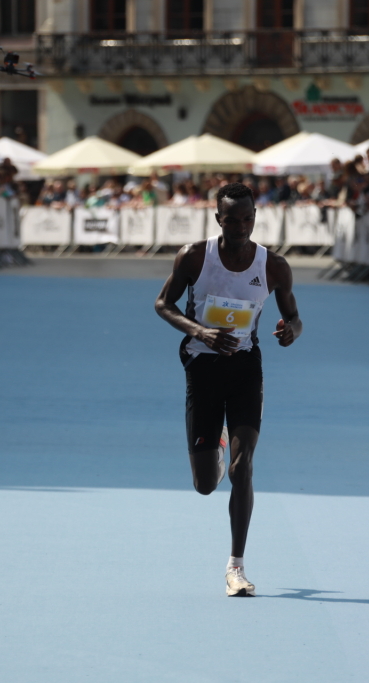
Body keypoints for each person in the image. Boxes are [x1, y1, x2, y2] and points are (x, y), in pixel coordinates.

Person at [154, 182, 303, 597]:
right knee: (205, 484)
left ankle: (236, 566)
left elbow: (294, 317)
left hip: (245, 370)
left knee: (243, 468)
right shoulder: (194, 256)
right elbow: (163, 304)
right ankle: (217, 443)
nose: (240, 227)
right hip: (202, 368)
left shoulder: (274, 266)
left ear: (255, 218)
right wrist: (200, 331)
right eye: (231, 220)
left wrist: (291, 331)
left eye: (247, 219)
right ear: (218, 219)